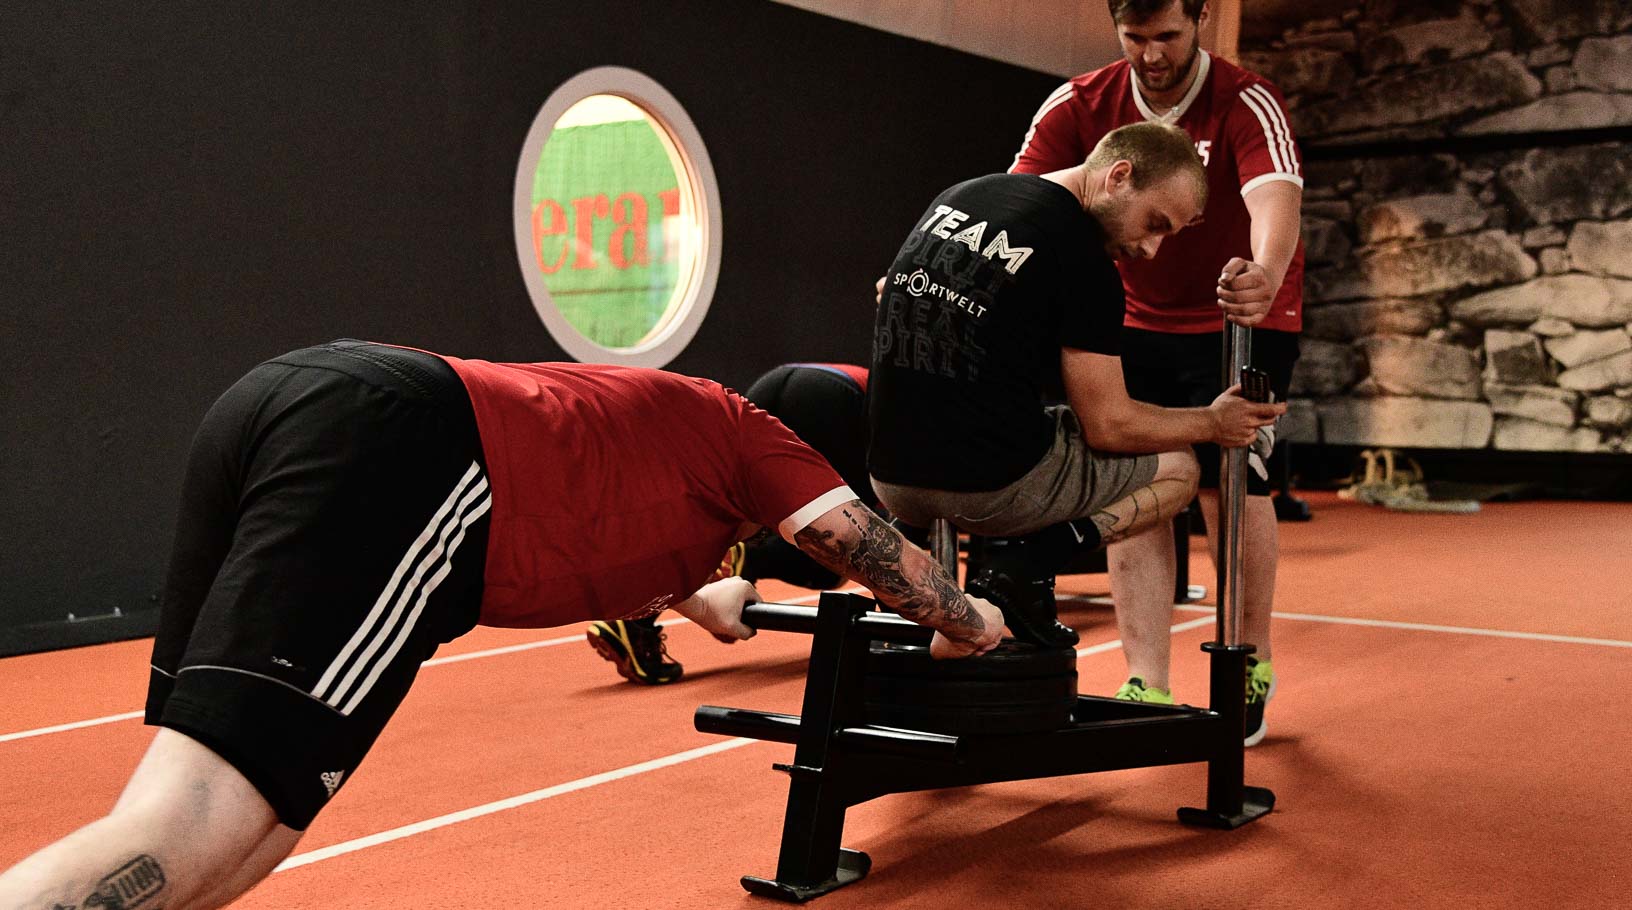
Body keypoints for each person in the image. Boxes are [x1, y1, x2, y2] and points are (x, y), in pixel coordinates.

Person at [0, 340, 1002, 910]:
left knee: (254, 826)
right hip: (408, 456)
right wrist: (970, 619)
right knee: (199, 820)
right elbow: (857, 542)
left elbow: (657, 554)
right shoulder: (761, 444)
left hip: (293, 397)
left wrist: (709, 599)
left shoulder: (680, 435)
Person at [867, 121, 1284, 655]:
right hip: (983, 489)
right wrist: (1213, 421)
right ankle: (1021, 569)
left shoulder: (962, 194)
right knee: (1180, 466)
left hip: (888, 477)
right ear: (1119, 176)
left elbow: (887, 299)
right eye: (1155, 224)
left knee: (1037, 417)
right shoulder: (1084, 260)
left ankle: (931, 551)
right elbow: (1110, 426)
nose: (1151, 250)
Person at [1007, 0, 1304, 745]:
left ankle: (1248, 662)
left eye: (1167, 36)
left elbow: (1276, 195)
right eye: (1134, 37)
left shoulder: (1244, 100)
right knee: (1139, 479)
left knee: (1234, 481)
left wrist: (1265, 272)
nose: (1152, 54)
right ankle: (1148, 680)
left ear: (1199, 19)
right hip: (1133, 318)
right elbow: (1015, 200)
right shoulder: (1080, 102)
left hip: (1241, 315)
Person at [585, 361, 877, 685]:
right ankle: (750, 558)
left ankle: (633, 615)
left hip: (773, 384)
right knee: (838, 550)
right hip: (834, 403)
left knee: (728, 521)